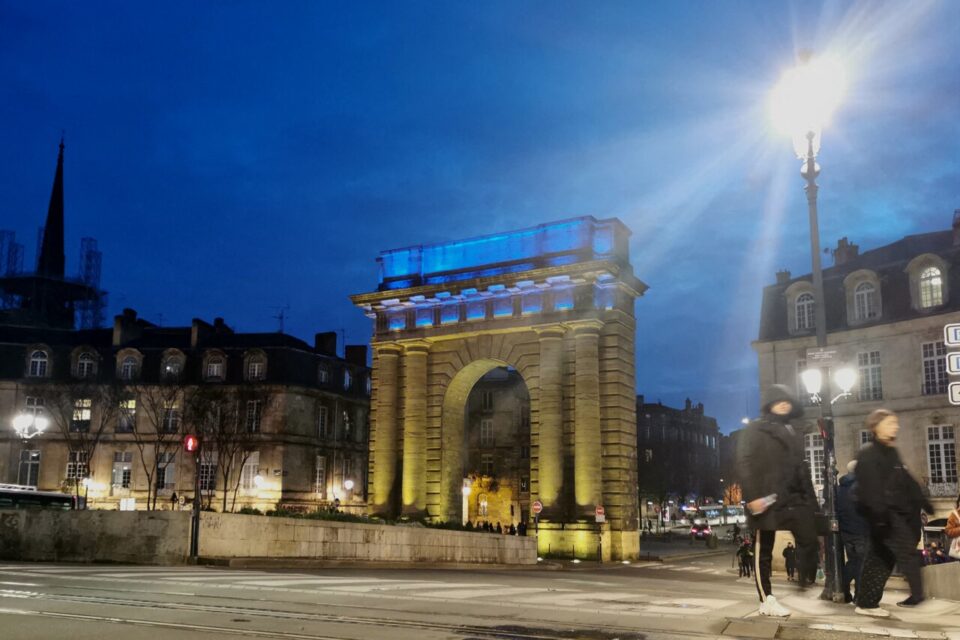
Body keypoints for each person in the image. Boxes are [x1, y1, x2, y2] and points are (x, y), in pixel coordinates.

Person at [736, 384, 819, 618]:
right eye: (778, 400)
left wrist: (812, 502)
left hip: (793, 496)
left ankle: (805, 582)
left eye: (787, 400)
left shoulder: (794, 429)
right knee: (764, 548)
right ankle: (766, 599)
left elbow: (801, 467)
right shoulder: (755, 429)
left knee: (809, 539)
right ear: (769, 404)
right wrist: (752, 497)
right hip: (765, 497)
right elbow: (745, 462)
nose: (784, 403)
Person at [854, 409, 933, 617]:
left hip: (891, 515)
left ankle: (866, 603)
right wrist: (880, 517)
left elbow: (906, 479)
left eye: (895, 423)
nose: (895, 427)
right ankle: (916, 594)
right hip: (885, 516)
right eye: (889, 423)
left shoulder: (892, 452)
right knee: (904, 553)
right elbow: (870, 488)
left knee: (879, 559)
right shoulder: (868, 453)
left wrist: (924, 501)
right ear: (876, 426)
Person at [837, 460, 869, 603]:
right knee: (861, 563)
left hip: (846, 531)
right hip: (861, 531)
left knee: (853, 561)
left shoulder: (840, 488)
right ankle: (858, 595)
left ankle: (845, 590)